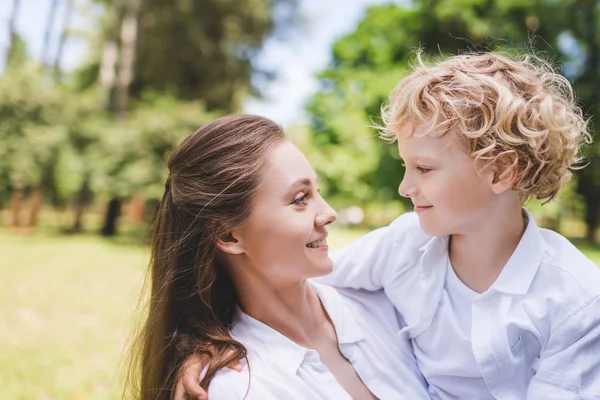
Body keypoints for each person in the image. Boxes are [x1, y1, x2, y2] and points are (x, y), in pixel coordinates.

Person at [178, 52, 600, 400]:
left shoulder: (575, 299)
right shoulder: (403, 246)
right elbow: (299, 279)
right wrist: (210, 344)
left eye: (424, 168)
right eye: (405, 165)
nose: (404, 186)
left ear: (501, 171)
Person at [125, 115, 430, 400]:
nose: (329, 213)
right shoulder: (238, 387)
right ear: (229, 236)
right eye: (300, 199)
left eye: (318, 192)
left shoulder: (382, 299)